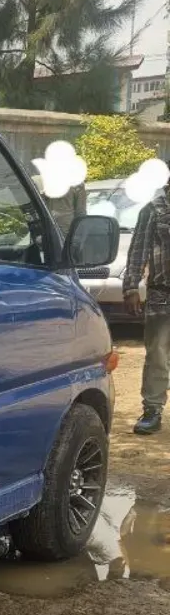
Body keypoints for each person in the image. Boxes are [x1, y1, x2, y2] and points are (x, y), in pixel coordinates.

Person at [123, 180, 170, 435]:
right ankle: (152, 410)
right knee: (157, 355)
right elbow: (138, 251)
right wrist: (131, 287)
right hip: (162, 295)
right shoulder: (153, 209)